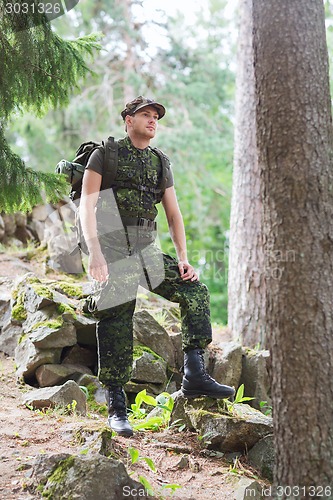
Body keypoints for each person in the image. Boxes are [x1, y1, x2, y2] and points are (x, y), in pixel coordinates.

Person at [80, 96, 234, 437]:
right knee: (117, 316)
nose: (152, 120)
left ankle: (194, 375)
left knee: (193, 290)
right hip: (114, 250)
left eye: (155, 117)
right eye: (145, 115)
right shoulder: (105, 155)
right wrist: (95, 253)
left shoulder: (160, 162)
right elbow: (87, 208)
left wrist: (182, 257)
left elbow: (174, 214)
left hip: (147, 252)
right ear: (127, 120)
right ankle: (117, 407)